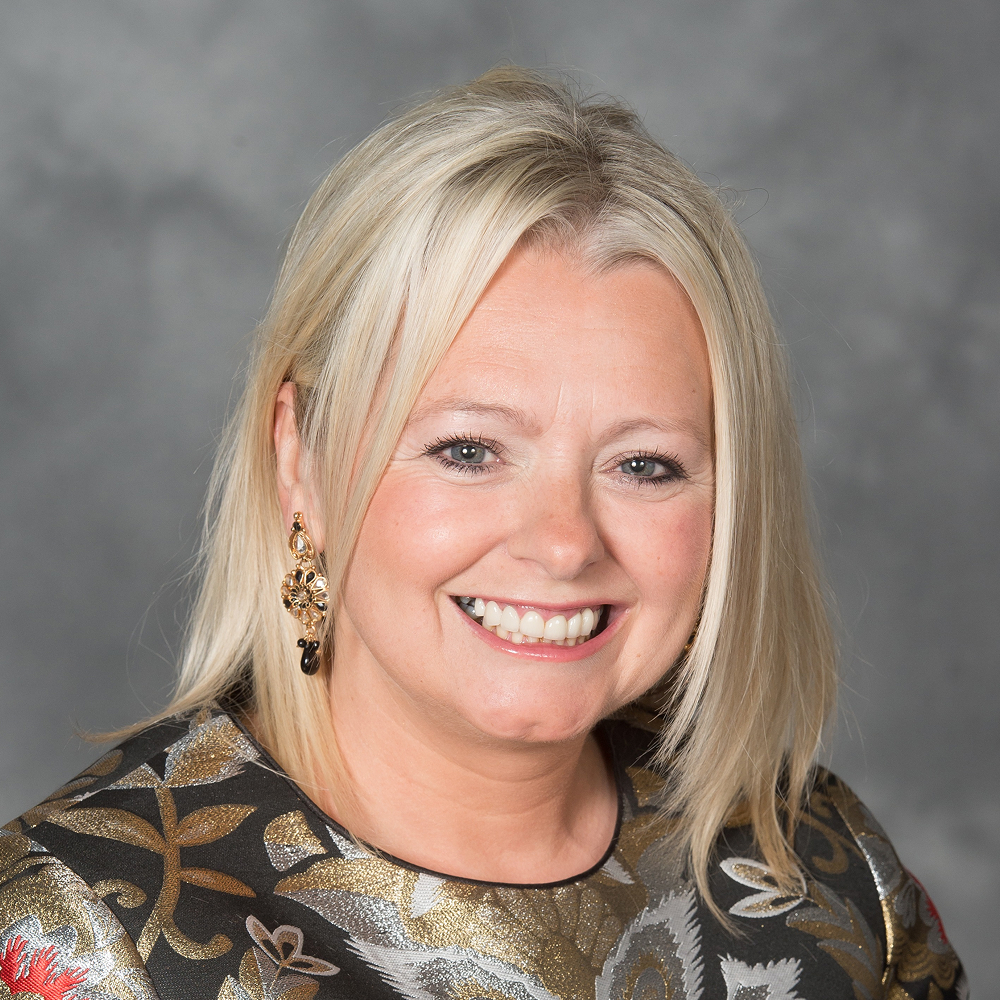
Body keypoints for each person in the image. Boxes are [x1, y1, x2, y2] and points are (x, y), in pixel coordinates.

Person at [1, 68, 965, 1000]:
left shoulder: (824, 878)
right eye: (468, 450)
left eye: (644, 466)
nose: (562, 543)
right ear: (301, 460)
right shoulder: (80, 937)